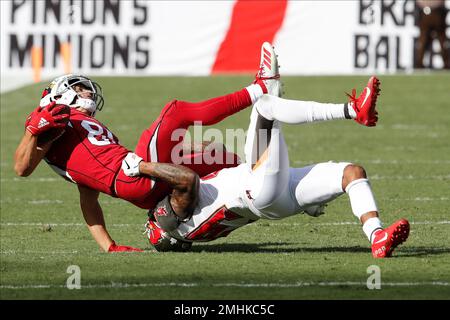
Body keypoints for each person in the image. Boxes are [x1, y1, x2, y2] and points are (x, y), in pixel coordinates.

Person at [124, 44, 410, 258]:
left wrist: (190, 151)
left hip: (273, 201)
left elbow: (208, 168)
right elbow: (185, 181)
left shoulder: (190, 226)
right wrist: (142, 167)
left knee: (352, 173)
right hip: (256, 189)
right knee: (265, 106)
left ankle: (377, 236)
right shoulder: (172, 222)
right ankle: (352, 110)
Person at [13, 48, 280, 252]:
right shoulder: (55, 118)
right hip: (134, 177)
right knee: (175, 112)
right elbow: (21, 168)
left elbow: (88, 198)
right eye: (80, 89)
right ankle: (260, 88)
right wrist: (32, 131)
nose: (88, 94)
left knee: (219, 156)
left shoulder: (86, 128)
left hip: (140, 179)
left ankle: (262, 187)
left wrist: (110, 246)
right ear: (59, 96)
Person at [415, 0, 449, 69]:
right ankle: (419, 64)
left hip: (438, 13)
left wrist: (430, 4)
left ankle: (447, 64)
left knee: (442, 41)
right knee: (423, 41)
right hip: (425, 14)